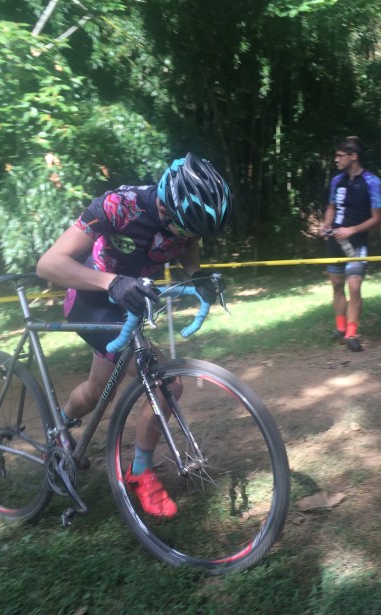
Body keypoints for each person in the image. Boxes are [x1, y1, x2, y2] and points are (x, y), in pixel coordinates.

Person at [36, 153, 232, 518]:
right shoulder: (116, 206)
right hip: (90, 299)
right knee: (167, 385)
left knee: (96, 392)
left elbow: (187, 243)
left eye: (196, 231)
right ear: (166, 203)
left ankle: (58, 430)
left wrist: (196, 274)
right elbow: (48, 263)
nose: (190, 236)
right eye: (186, 227)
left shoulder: (183, 222)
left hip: (130, 303)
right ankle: (140, 473)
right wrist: (111, 282)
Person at [320, 136, 381, 352]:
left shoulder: (372, 182)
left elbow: (377, 218)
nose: (336, 160)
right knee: (337, 285)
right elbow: (331, 206)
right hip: (334, 242)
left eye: (340, 156)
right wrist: (326, 224)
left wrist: (352, 230)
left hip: (357, 242)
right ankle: (340, 329)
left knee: (354, 287)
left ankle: (351, 333)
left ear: (353, 156)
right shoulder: (336, 180)